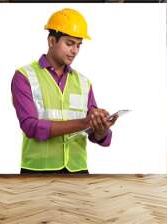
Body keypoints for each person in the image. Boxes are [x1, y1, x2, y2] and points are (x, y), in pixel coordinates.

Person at [11, 8, 118, 174]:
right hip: (38, 169)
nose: (75, 51)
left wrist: (101, 128)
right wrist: (85, 122)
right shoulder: (24, 76)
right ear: (52, 41)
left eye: (78, 45)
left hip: (78, 169)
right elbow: (31, 127)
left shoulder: (83, 82)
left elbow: (97, 136)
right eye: (69, 43)